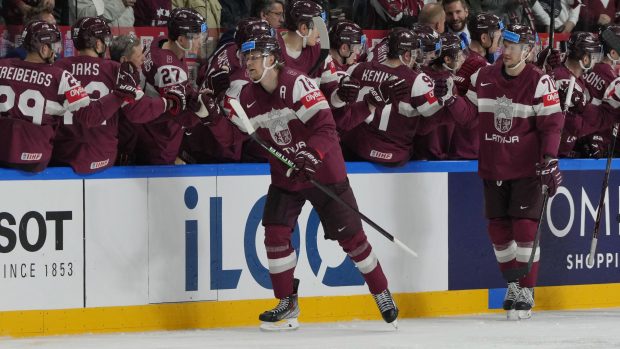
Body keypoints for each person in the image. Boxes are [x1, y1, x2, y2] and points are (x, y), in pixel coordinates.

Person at [199, 34, 399, 330]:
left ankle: (381, 291)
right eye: (245, 58)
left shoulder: (296, 83)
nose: (247, 63)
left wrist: (311, 156)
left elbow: (327, 128)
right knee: (275, 234)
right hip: (286, 177)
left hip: (325, 174)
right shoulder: (246, 97)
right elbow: (232, 140)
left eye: (253, 57)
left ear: (271, 58)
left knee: (353, 240)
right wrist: (208, 115)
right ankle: (287, 302)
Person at [449, 23, 564, 320]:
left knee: (525, 229)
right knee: (498, 232)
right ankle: (514, 285)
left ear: (528, 50)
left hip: (527, 169)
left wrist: (550, 158)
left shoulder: (540, 82)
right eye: (505, 44)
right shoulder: (484, 76)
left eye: (514, 46)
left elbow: (552, 124)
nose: (507, 50)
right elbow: (467, 116)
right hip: (492, 166)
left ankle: (528, 289)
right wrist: (449, 98)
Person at [0, 20, 139, 172]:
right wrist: (119, 94)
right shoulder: (59, 76)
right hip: (36, 160)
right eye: (54, 46)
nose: (57, 50)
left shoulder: (2, 67)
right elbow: (90, 116)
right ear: (44, 49)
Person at [53, 17, 180, 173]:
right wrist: (168, 103)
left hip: (62, 155)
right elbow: (138, 111)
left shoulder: (58, 67)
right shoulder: (116, 69)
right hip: (102, 156)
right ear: (98, 44)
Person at [341, 28, 449, 166]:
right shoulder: (417, 80)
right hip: (393, 155)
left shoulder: (356, 68)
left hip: (355, 149)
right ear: (406, 55)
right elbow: (433, 118)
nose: (416, 58)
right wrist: (443, 98)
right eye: (414, 54)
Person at [129, 7, 208, 165]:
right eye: (197, 36)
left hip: (149, 129)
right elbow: (182, 116)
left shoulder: (160, 42)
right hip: (158, 139)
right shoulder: (169, 70)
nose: (201, 40)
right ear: (180, 40)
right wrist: (203, 111)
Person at [449, 13, 502, 160]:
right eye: (498, 38)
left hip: (452, 142)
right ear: (484, 38)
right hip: (470, 146)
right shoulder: (483, 67)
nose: (500, 45)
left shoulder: (459, 56)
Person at [412, 32, 466, 160]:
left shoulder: (445, 77)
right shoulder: (430, 80)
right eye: (459, 55)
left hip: (431, 150)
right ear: (447, 59)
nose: (463, 58)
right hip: (427, 152)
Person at [554, 32, 603, 157]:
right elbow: (572, 124)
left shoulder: (574, 77)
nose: (595, 61)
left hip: (564, 149)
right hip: (555, 154)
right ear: (585, 59)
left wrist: (586, 140)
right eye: (594, 57)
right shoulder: (563, 81)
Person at [580, 25, 620, 158]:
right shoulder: (613, 80)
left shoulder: (585, 65)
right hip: (599, 139)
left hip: (577, 132)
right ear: (613, 53)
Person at [277, 0, 324, 76]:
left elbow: (333, 87)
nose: (320, 33)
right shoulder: (272, 53)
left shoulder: (320, 50)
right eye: (318, 27)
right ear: (304, 28)